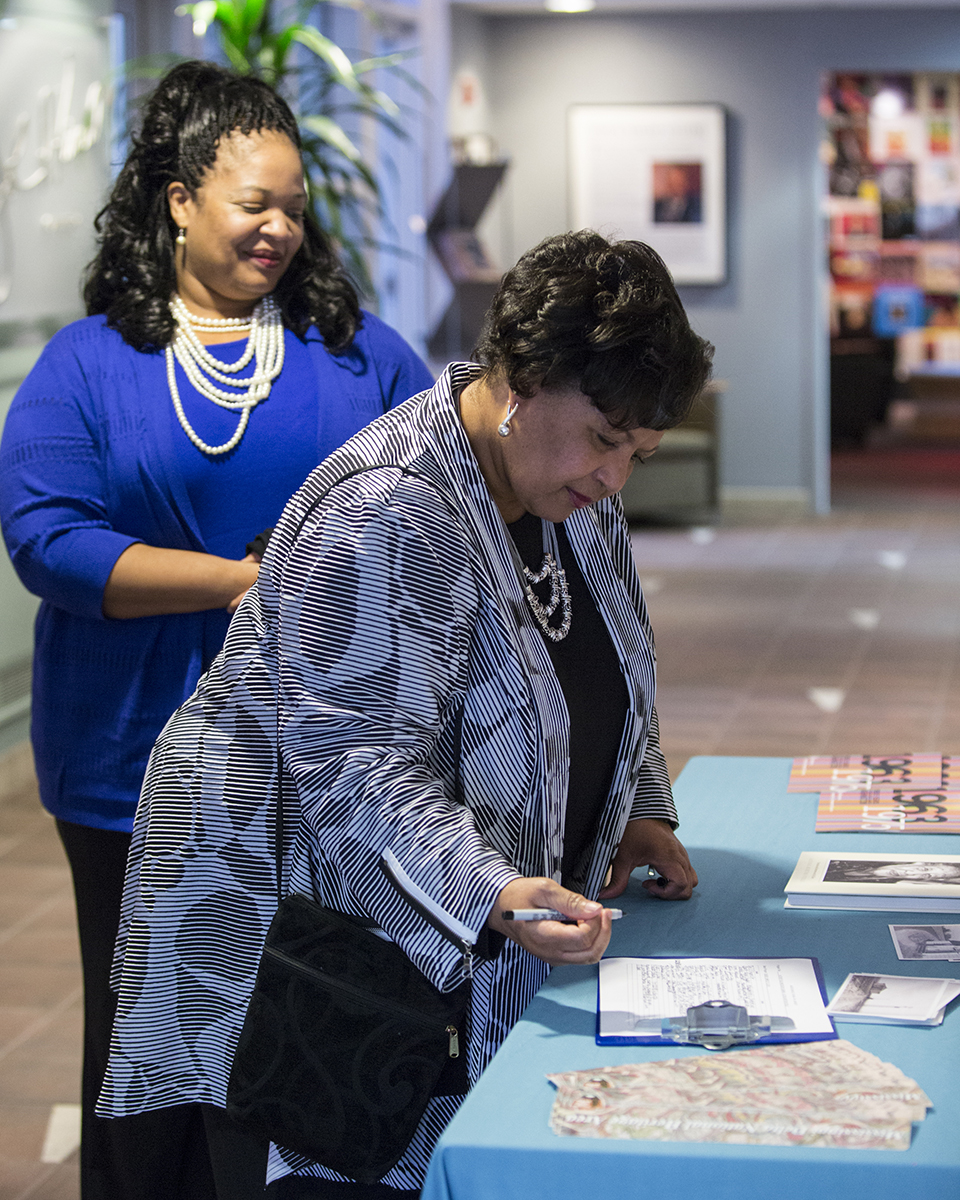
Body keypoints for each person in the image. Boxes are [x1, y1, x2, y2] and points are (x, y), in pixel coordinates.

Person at [98, 230, 712, 1196]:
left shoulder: (575, 495)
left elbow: (613, 667)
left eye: (639, 452)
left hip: (440, 940)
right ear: (522, 379)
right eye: (604, 441)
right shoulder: (387, 509)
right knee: (345, 1164)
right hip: (309, 945)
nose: (614, 478)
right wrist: (494, 891)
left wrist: (640, 805)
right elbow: (354, 771)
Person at [0, 60, 431, 1200]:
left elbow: (439, 504)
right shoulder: (89, 363)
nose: (280, 228)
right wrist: (243, 582)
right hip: (129, 760)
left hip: (324, 756)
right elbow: (50, 539)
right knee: (146, 1033)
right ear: (180, 200)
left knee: (307, 1010)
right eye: (255, 204)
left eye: (296, 205)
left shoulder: (361, 355)